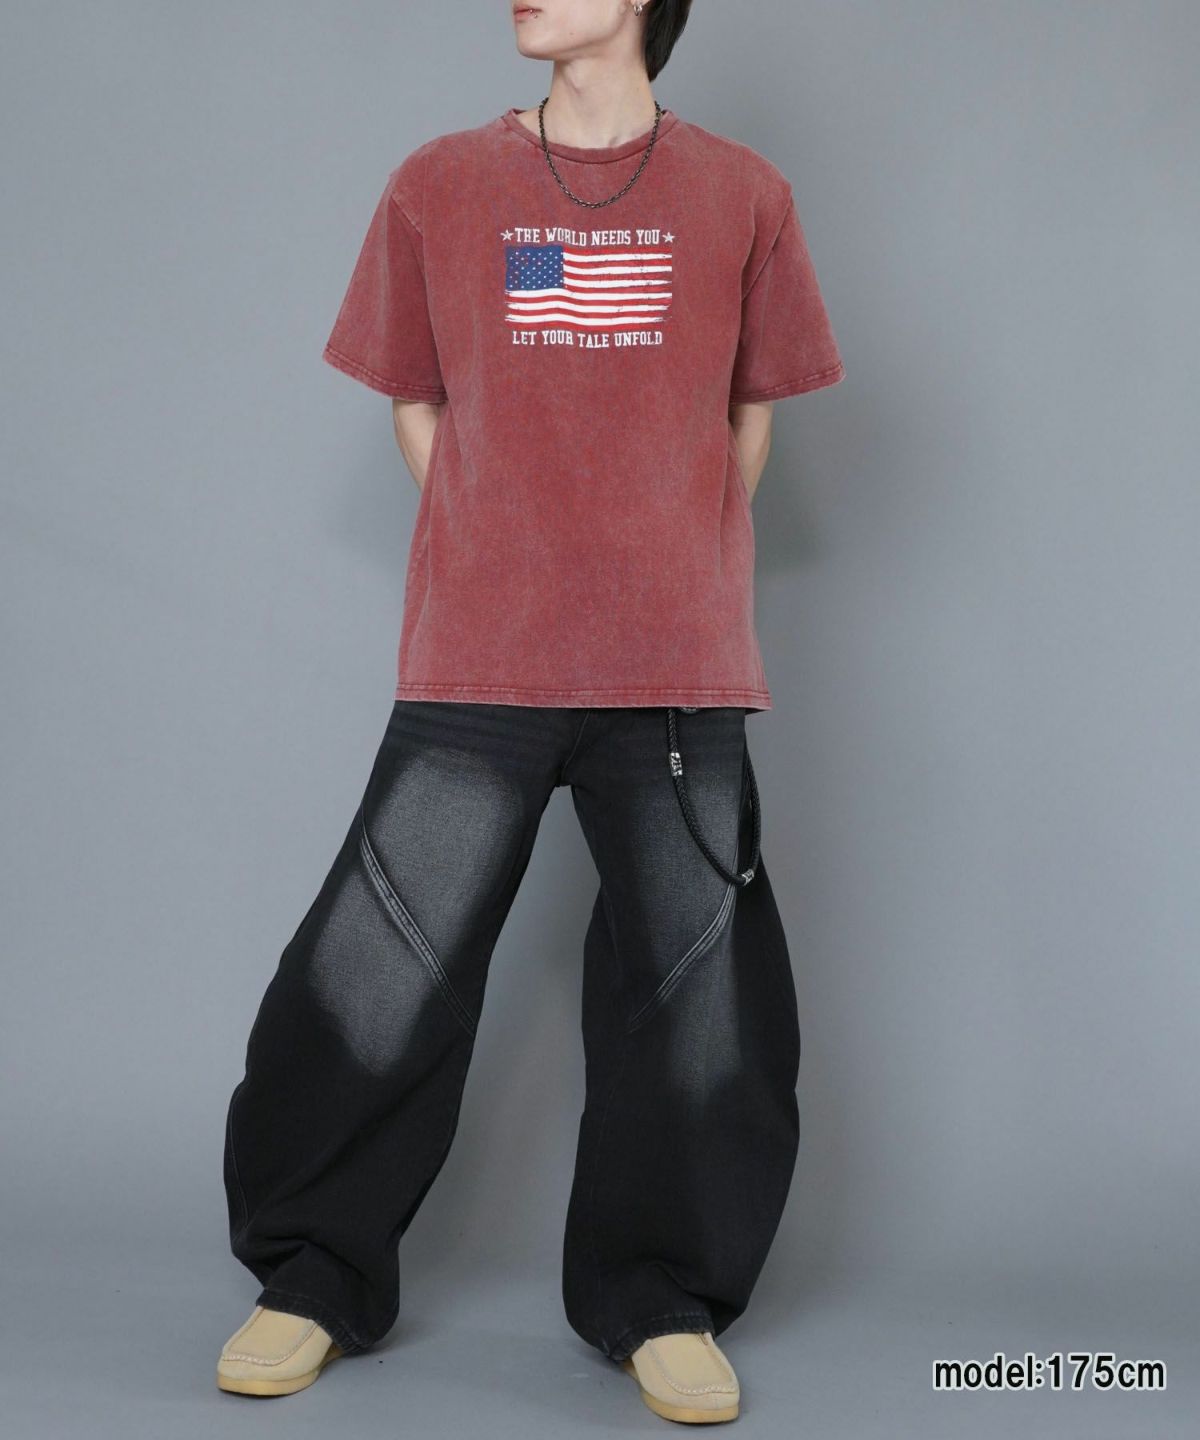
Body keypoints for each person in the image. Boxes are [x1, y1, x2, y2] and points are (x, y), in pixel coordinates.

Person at [216, 0, 845, 1423]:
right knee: (375, 970)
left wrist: (664, 559)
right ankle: (310, 1276)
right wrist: (510, 543)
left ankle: (660, 1298)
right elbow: (417, 403)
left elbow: (751, 417)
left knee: (699, 998)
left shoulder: (744, 194)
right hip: (482, 653)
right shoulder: (439, 184)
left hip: (673, 667)